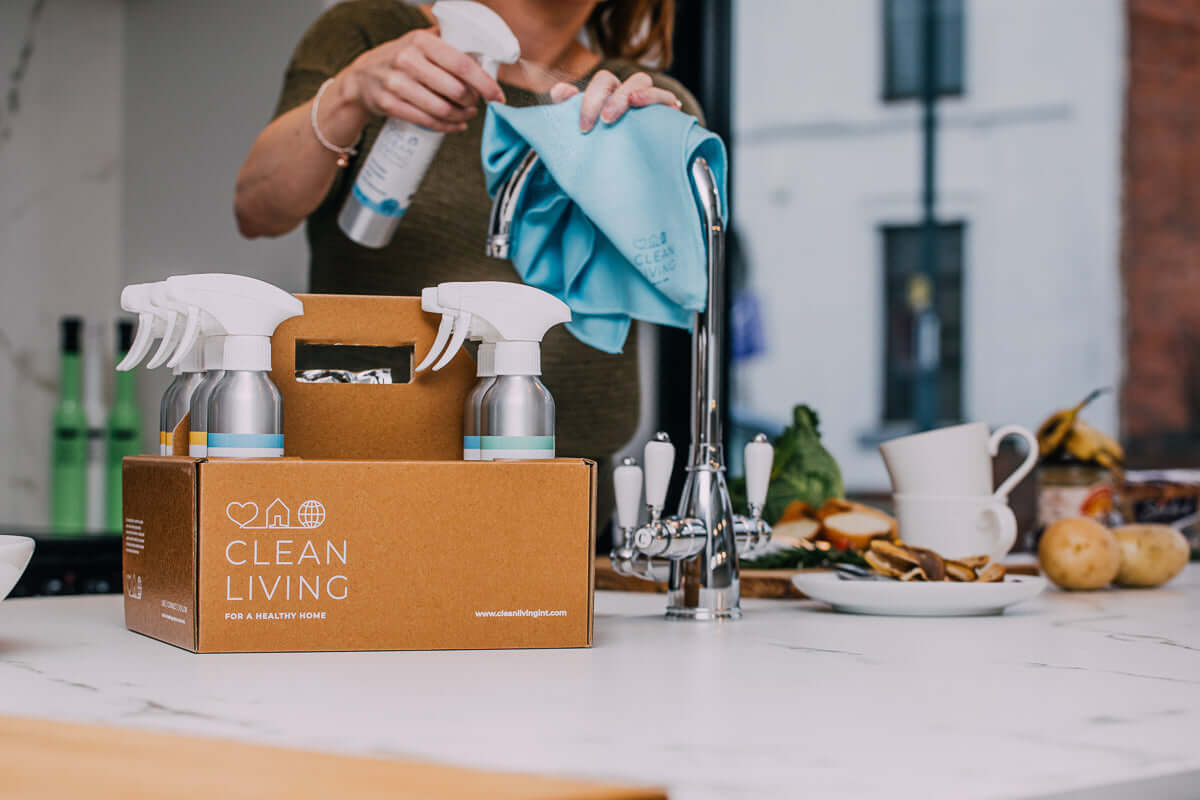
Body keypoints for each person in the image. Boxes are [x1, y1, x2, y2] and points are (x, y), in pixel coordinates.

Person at [235, 0, 702, 524]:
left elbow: (684, 280)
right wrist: (351, 92)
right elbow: (258, 211)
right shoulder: (374, 34)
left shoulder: (643, 102)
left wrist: (661, 149)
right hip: (361, 489)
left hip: (563, 507)